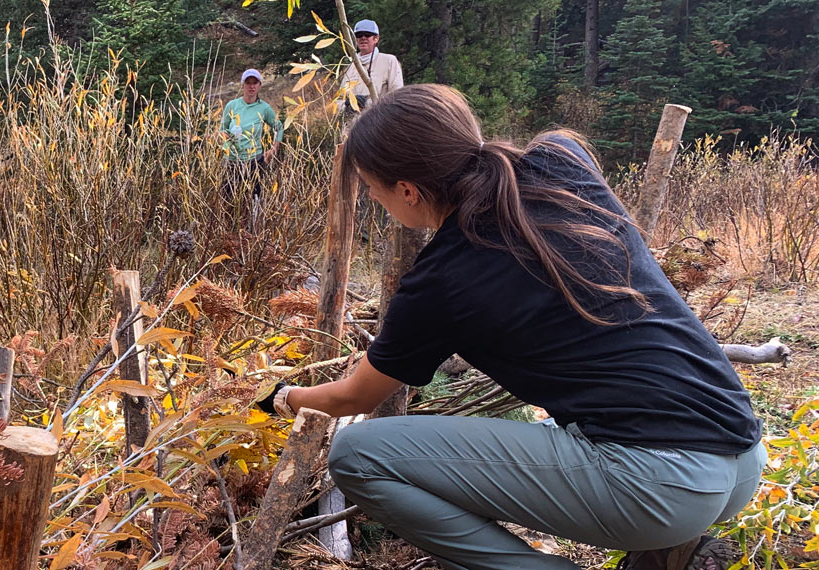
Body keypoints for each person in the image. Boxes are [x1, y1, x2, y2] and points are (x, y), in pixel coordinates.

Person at [257, 84, 763, 570]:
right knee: (559, 428)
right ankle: (664, 556)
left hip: (660, 488)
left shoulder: (441, 280)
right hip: (741, 454)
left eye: (372, 190)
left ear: (407, 190)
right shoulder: (563, 159)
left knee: (357, 454)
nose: (374, 200)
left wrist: (283, 397)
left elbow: (354, 399)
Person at [220, 69, 283, 202]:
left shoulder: (264, 108)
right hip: (231, 161)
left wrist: (273, 150)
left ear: (259, 85)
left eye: (255, 83)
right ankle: (231, 222)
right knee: (228, 199)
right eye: (248, 83)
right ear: (243, 85)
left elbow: (279, 127)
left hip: (254, 161)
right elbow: (223, 129)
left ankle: (254, 222)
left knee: (254, 199)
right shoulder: (232, 105)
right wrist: (230, 142)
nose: (252, 86)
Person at [338, 19, 404, 114]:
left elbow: (397, 97)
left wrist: (367, 103)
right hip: (352, 125)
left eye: (367, 34)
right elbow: (338, 100)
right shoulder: (350, 66)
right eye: (359, 35)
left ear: (376, 38)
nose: (363, 38)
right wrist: (347, 106)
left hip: (379, 124)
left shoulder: (389, 61)